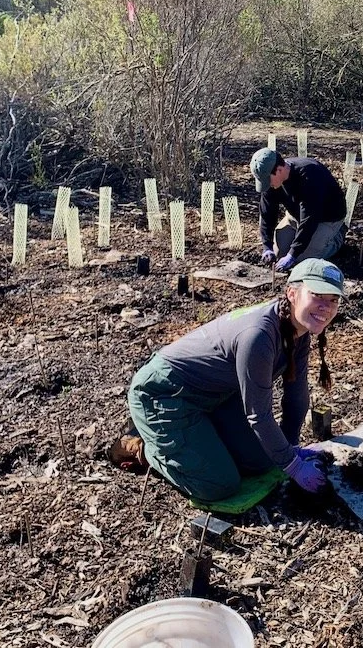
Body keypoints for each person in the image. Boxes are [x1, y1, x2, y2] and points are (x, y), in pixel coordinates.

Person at [109, 259, 346, 500]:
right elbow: (259, 414)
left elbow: (296, 395)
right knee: (218, 484)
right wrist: (293, 466)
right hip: (165, 394)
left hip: (216, 397)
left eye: (333, 300)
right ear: (292, 293)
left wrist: (291, 448)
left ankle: (197, 434)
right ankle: (148, 445)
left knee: (262, 462)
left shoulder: (298, 330)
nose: (326, 307)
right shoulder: (259, 336)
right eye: (317, 295)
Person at [250, 148, 347, 273]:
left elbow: (310, 219)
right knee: (279, 253)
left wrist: (293, 254)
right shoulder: (270, 180)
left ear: (279, 170)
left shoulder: (309, 175)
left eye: (267, 180)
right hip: (296, 216)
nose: (266, 185)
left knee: (303, 259)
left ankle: (337, 237)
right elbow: (267, 213)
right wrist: (267, 246)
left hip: (326, 218)